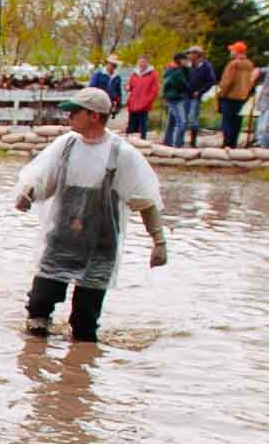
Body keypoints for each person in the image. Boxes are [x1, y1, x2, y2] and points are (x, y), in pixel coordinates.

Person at [16, 87, 168, 344]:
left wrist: (159, 242)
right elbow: (46, 180)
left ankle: (80, 373)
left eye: (75, 112)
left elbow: (145, 201)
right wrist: (28, 193)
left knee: (85, 321)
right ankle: (35, 367)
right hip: (61, 238)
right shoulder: (65, 146)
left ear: (94, 116)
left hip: (101, 244)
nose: (69, 117)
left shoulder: (122, 155)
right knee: (39, 308)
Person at [216, 41, 255, 149]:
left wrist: (221, 93)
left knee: (227, 121)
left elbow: (228, 81)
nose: (231, 52)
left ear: (237, 52)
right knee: (237, 122)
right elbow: (252, 81)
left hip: (229, 97)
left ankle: (227, 144)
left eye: (232, 50)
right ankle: (233, 144)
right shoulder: (250, 64)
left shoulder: (233, 64)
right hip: (242, 97)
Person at [185, 45, 217, 146]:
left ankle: (192, 142)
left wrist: (200, 91)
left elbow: (211, 81)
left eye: (191, 53)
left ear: (197, 54)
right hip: (185, 95)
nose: (189, 55)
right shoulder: (189, 65)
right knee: (183, 118)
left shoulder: (206, 66)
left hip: (195, 96)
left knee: (193, 118)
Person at [160, 52, 192, 147]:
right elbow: (184, 84)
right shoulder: (175, 71)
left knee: (171, 122)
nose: (186, 61)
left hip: (173, 98)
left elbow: (187, 77)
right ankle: (178, 144)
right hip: (175, 99)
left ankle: (167, 142)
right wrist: (190, 90)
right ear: (179, 60)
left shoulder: (176, 69)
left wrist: (186, 68)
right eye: (184, 59)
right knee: (181, 123)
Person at [124, 55, 158, 138]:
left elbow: (154, 91)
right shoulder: (134, 73)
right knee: (131, 127)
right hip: (133, 104)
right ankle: (130, 144)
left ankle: (143, 144)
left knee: (142, 128)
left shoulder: (153, 74)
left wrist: (147, 102)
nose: (142, 64)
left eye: (143, 62)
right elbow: (130, 86)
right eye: (140, 62)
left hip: (144, 105)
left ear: (147, 63)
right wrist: (127, 87)